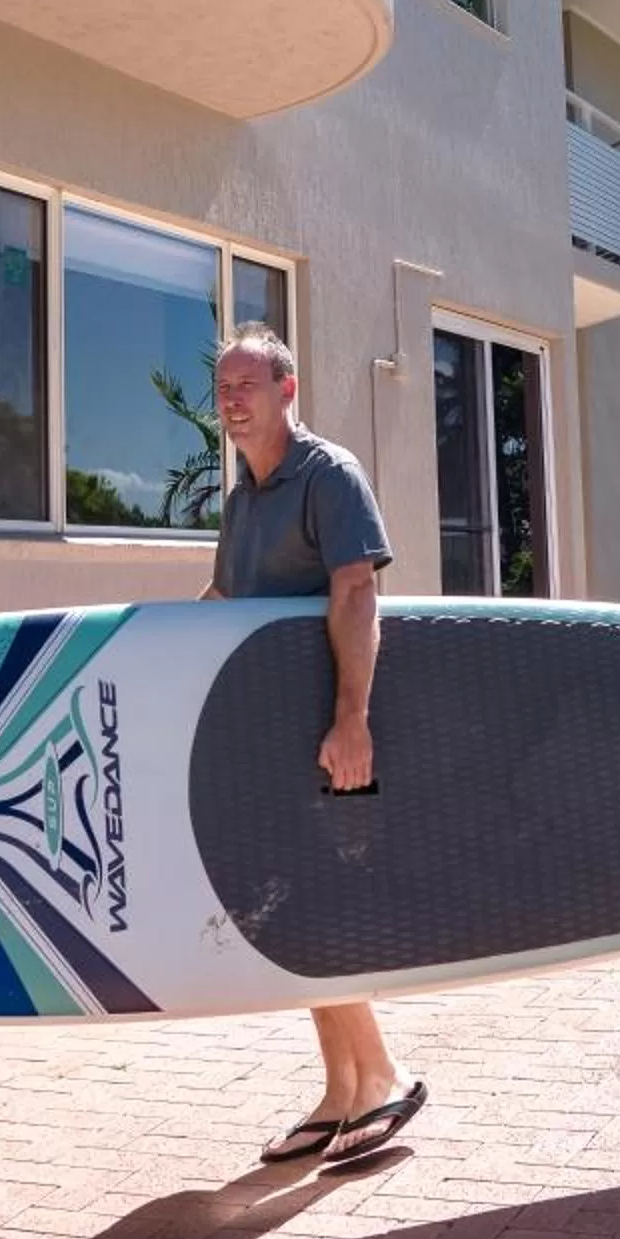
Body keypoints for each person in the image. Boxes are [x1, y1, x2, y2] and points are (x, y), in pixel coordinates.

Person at [196, 320, 427, 1166]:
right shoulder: (242, 500)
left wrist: (353, 717)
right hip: (263, 738)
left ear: (287, 391)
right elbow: (224, 597)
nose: (231, 400)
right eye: (222, 387)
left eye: (246, 384)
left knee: (316, 905)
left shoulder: (328, 475)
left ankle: (385, 1078)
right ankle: (341, 1091)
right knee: (292, 905)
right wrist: (141, 646)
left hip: (329, 731)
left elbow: (359, 593)